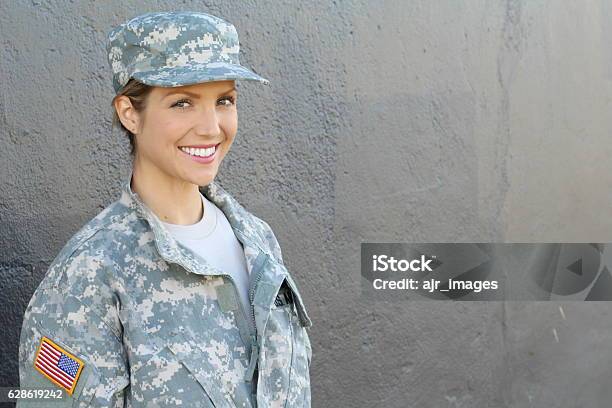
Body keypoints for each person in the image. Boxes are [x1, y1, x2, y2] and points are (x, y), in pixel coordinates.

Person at [17, 11, 312, 408]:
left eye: (224, 100)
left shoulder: (257, 241)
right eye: (182, 103)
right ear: (129, 113)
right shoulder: (89, 274)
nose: (211, 127)